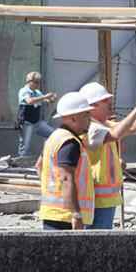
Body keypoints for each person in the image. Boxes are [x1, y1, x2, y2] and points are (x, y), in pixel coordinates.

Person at [79, 82, 136, 229]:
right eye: (105, 102)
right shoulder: (91, 127)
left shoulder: (102, 123)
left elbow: (132, 129)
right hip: (96, 195)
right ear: (92, 106)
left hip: (106, 196)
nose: (110, 104)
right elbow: (117, 134)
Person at [38, 92, 95, 230]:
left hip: (52, 213)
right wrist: (76, 214)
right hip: (65, 217)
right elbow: (66, 178)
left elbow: (38, 165)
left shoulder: (55, 137)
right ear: (74, 118)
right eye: (86, 114)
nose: (90, 118)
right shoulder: (70, 142)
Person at [17, 72, 57, 157]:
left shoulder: (37, 92)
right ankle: (21, 165)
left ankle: (47, 155)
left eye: (38, 82)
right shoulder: (24, 91)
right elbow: (29, 101)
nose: (37, 84)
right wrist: (45, 97)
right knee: (25, 147)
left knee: (53, 134)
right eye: (36, 82)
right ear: (29, 81)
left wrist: (52, 99)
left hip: (37, 122)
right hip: (26, 123)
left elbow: (46, 101)